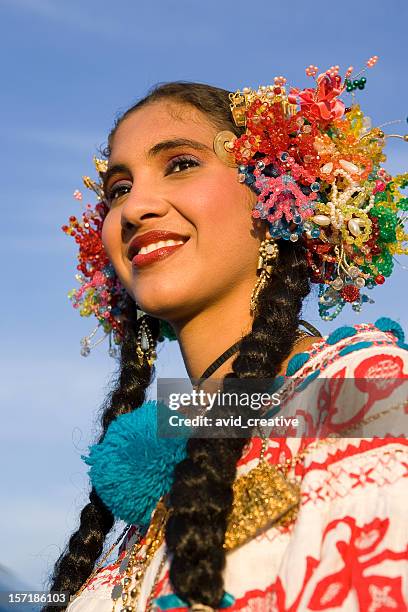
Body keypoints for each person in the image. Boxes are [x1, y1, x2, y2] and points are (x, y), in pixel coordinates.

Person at [44, 63, 408, 612]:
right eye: (119, 189)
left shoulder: (363, 393)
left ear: (273, 192)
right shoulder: (165, 464)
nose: (134, 209)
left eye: (181, 164)